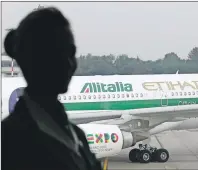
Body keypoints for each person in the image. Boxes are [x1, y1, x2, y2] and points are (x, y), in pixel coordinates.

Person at [2, 7, 102, 170]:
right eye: (59, 54)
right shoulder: (11, 140)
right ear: (32, 60)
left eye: (72, 54)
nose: (70, 64)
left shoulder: (76, 135)